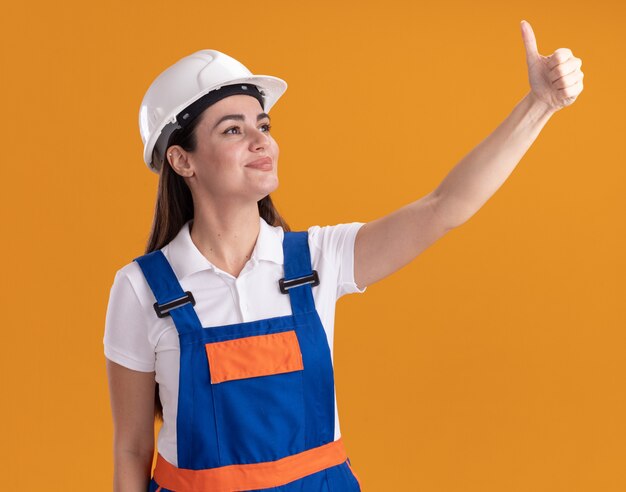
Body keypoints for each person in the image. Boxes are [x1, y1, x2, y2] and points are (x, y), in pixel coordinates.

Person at [104, 20, 583, 492]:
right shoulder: (142, 289)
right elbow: (130, 448)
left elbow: (445, 207)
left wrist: (538, 105)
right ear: (181, 160)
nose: (260, 141)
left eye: (263, 124)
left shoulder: (315, 261)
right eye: (233, 130)